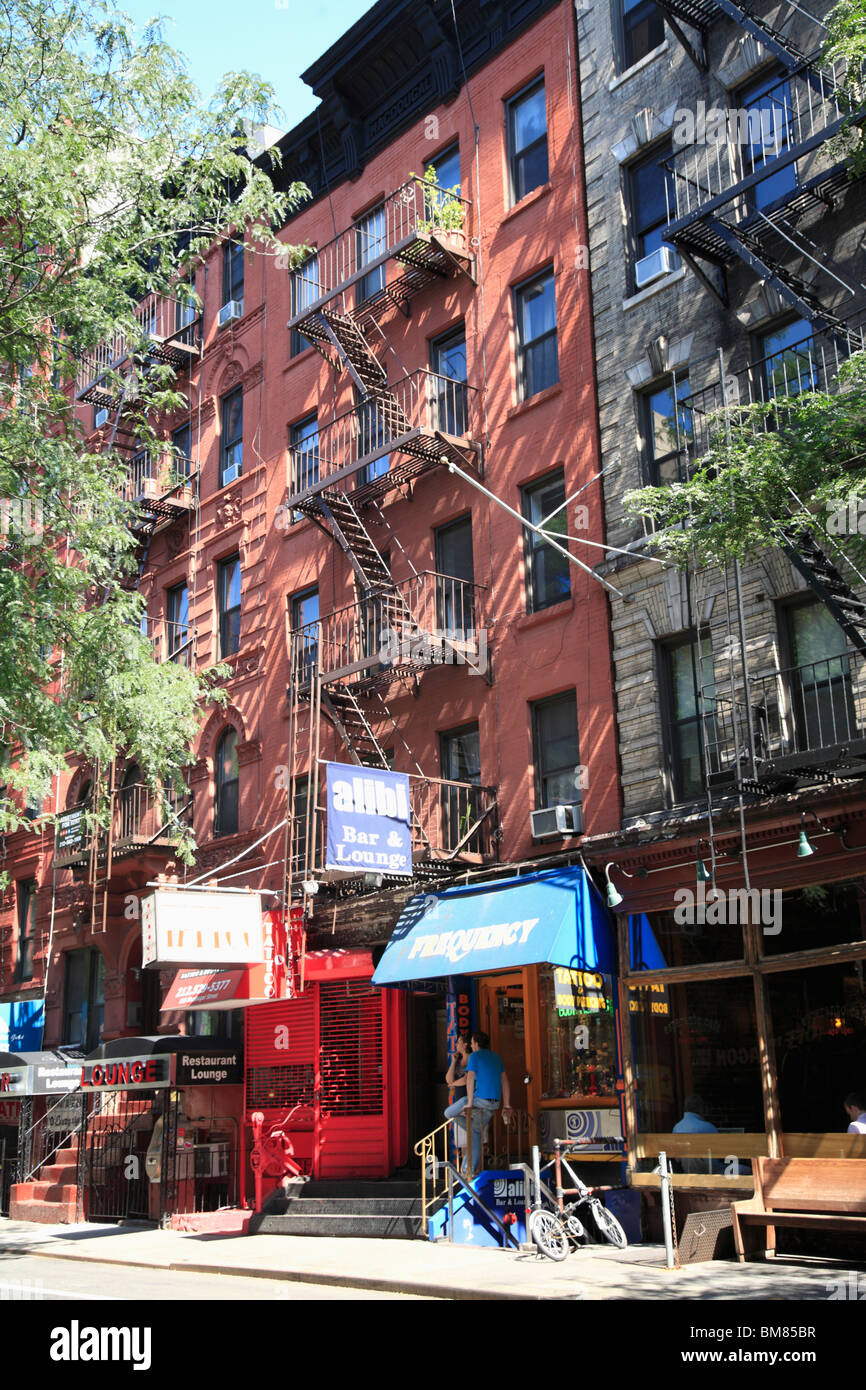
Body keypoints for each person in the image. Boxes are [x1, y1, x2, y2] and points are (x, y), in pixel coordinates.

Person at [451, 1030, 511, 1177]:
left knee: (448, 1113)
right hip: (494, 1103)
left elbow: (470, 1078)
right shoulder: (497, 1057)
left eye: (472, 1042)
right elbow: (505, 1081)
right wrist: (507, 1104)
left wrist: (470, 1103)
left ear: (476, 1044)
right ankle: (467, 1170)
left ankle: (467, 1170)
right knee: (475, 1132)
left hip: (480, 1101)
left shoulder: (475, 1056)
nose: (471, 1045)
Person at [673, 1094, 719, 1175]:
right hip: (711, 1174)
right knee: (746, 1170)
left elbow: (677, 1159)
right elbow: (719, 1155)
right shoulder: (709, 1127)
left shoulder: (677, 1127)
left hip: (688, 1173)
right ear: (701, 1108)